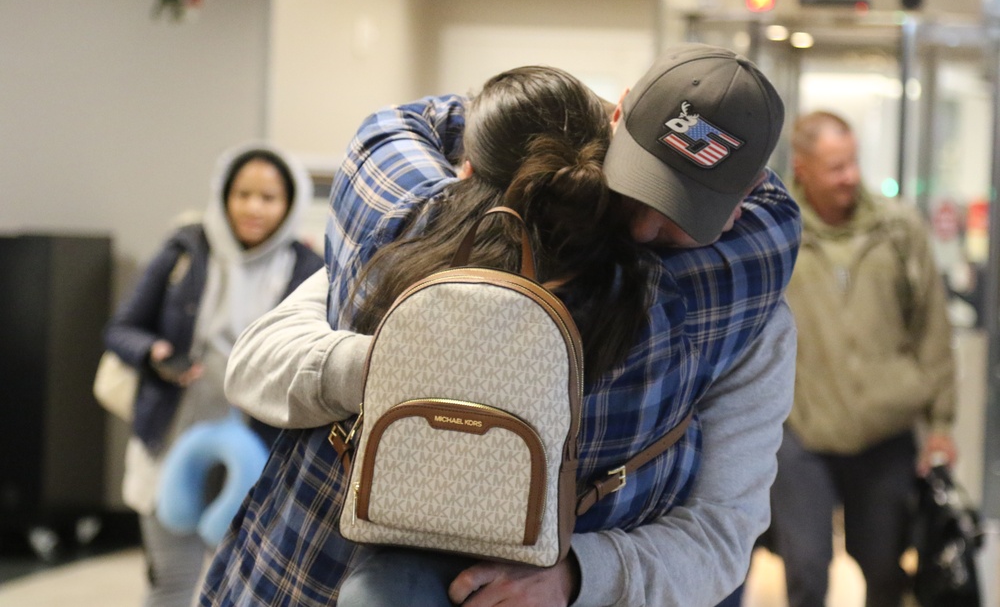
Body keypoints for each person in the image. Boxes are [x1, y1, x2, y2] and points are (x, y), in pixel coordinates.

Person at [200, 46, 800, 606]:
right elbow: (257, 361)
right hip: (313, 576)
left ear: (746, 196)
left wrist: (576, 576)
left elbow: (723, 532)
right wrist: (403, 372)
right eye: (638, 187)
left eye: (680, 215)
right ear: (614, 119)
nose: (644, 230)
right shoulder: (438, 235)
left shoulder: (746, 320)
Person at [103, 144, 324, 607]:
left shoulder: (308, 269)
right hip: (171, 439)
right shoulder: (185, 249)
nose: (253, 208)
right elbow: (122, 328)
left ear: (289, 204)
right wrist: (156, 352)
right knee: (171, 581)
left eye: (269, 197)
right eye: (242, 194)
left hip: (256, 451)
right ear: (223, 196)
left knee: (241, 587)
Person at [769, 110, 958, 607]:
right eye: (834, 167)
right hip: (801, 431)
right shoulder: (778, 230)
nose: (849, 176)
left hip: (884, 432)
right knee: (806, 570)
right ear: (803, 168)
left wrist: (940, 424)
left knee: (884, 569)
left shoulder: (896, 230)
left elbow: (932, 327)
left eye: (851, 162)